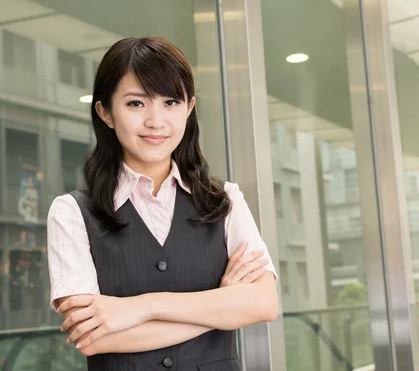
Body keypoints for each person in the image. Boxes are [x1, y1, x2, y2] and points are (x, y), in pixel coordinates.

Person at [47, 37, 279, 370]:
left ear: (189, 108)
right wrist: (221, 307)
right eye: (136, 104)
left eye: (171, 102)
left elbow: (264, 303)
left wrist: (145, 307)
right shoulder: (71, 213)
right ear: (106, 112)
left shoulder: (225, 200)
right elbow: (93, 337)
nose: (156, 121)